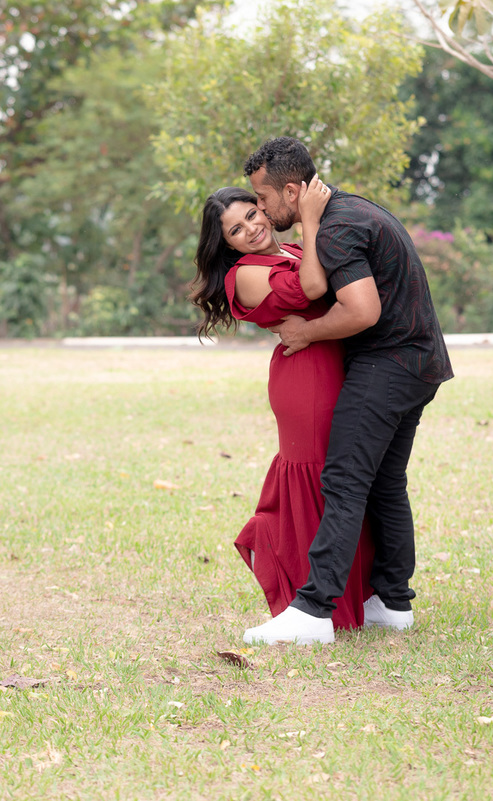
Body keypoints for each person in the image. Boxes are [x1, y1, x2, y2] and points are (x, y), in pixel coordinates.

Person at [241, 136, 454, 646]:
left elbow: (362, 311)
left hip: (388, 363)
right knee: (384, 482)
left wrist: (307, 332)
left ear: (292, 191)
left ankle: (313, 611)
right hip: (422, 361)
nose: (263, 211)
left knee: (343, 479)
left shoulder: (335, 228)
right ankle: (392, 602)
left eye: (265, 199)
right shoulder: (353, 209)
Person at [192, 180, 375, 640]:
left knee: (343, 481)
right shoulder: (245, 274)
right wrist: (311, 218)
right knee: (315, 481)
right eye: (235, 230)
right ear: (226, 244)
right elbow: (315, 285)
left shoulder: (294, 248)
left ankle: (350, 596)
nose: (251, 230)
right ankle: (306, 599)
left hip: (337, 366)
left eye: (251, 215)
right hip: (306, 377)